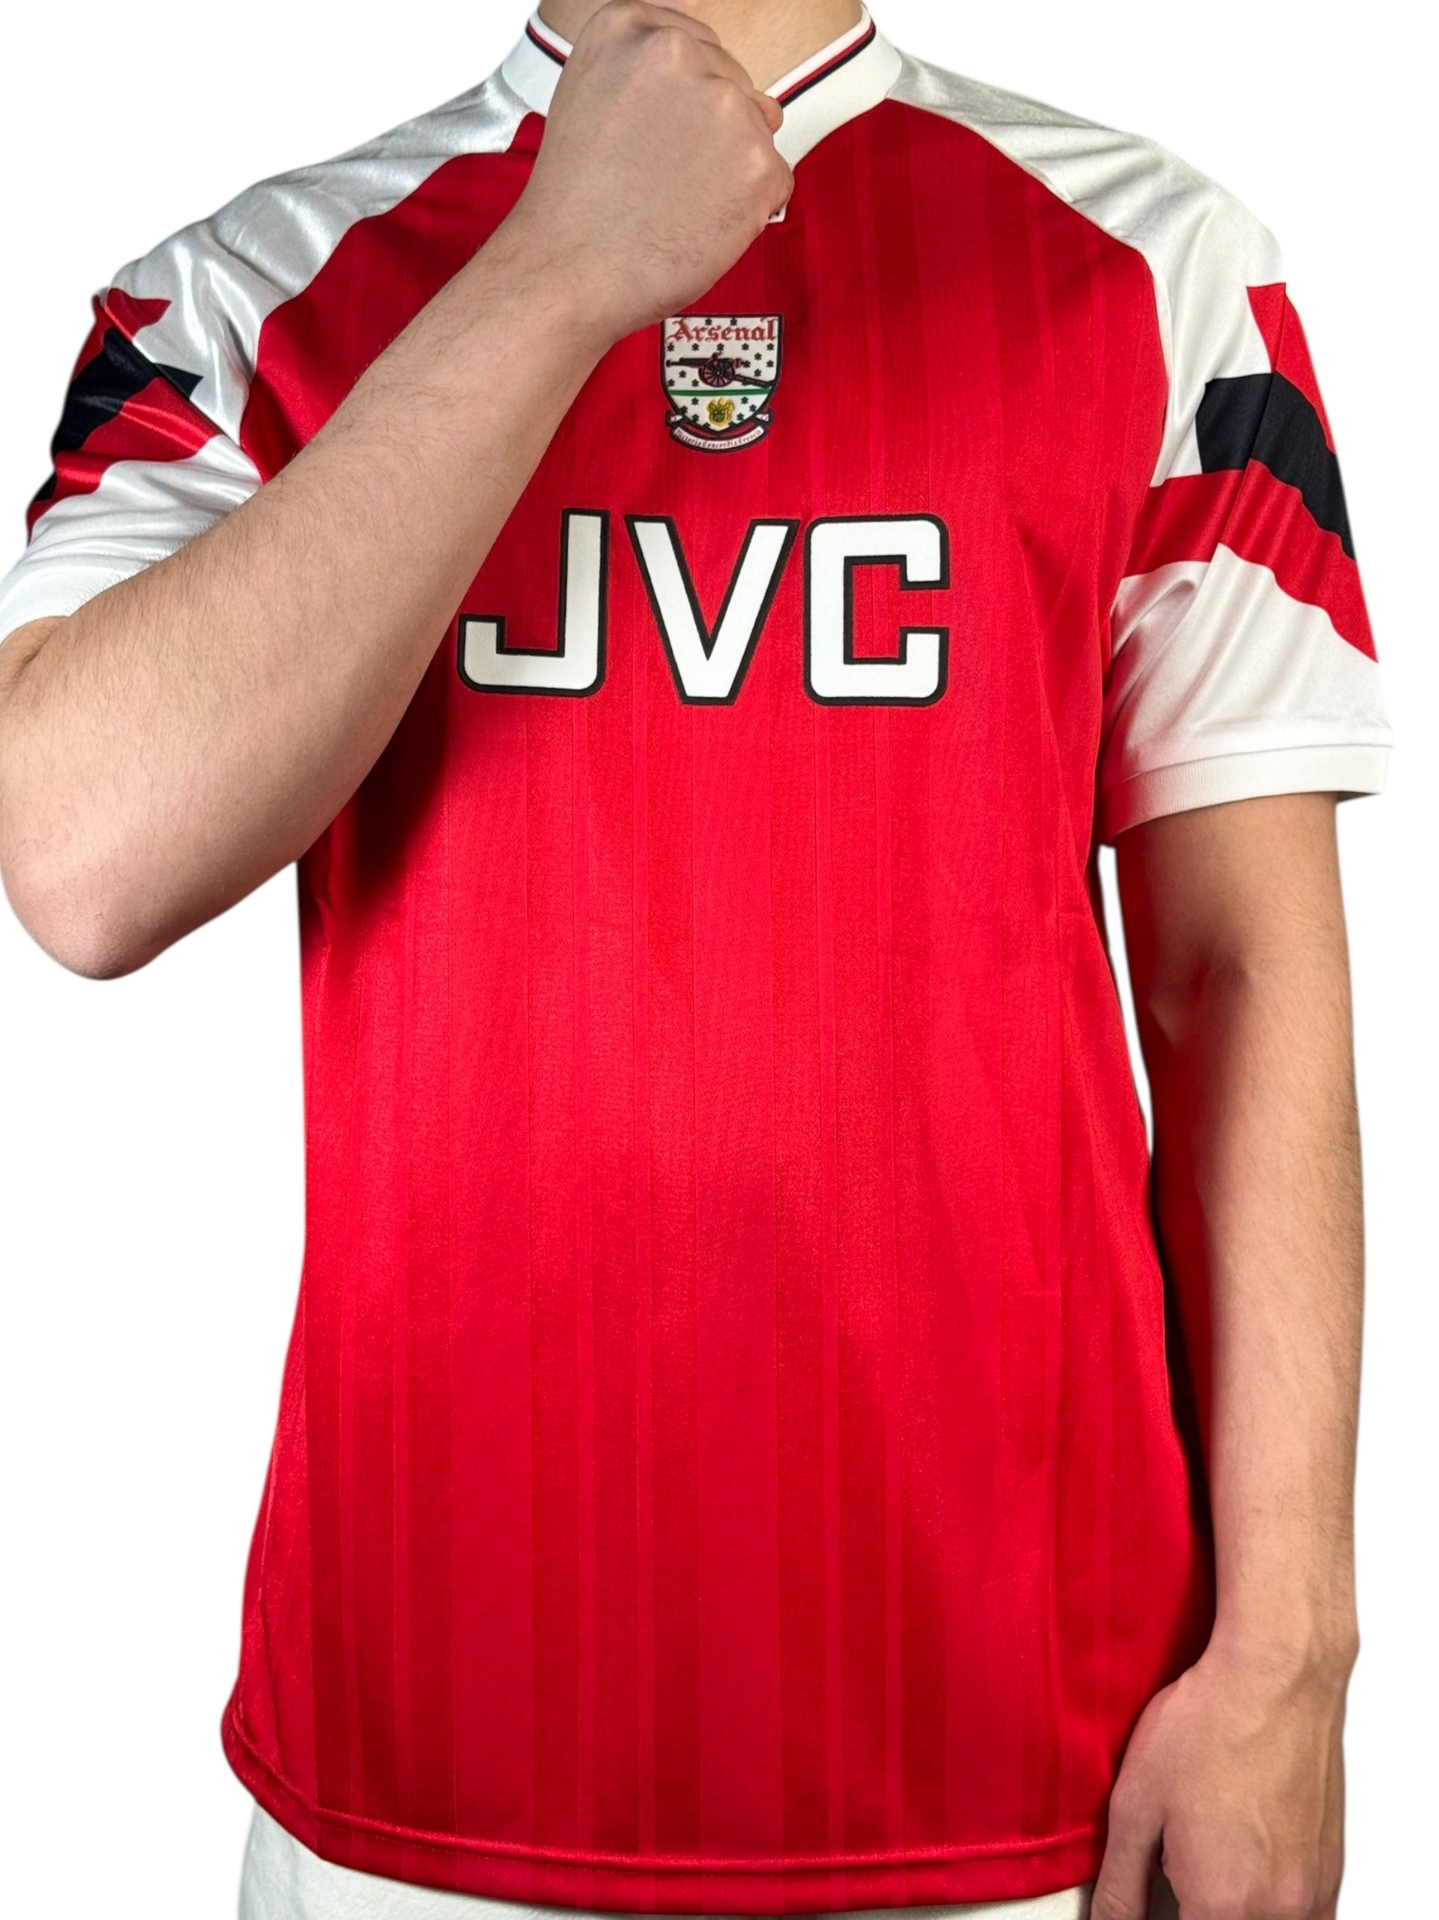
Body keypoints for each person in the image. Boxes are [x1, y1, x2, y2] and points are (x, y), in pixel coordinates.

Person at [0, 2, 1390, 1916]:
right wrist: (561, 269)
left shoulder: (1162, 262)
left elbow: (1238, 974)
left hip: (1038, 1766)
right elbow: (82, 861)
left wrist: (1292, 1657)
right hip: (417, 1761)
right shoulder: (244, 291)